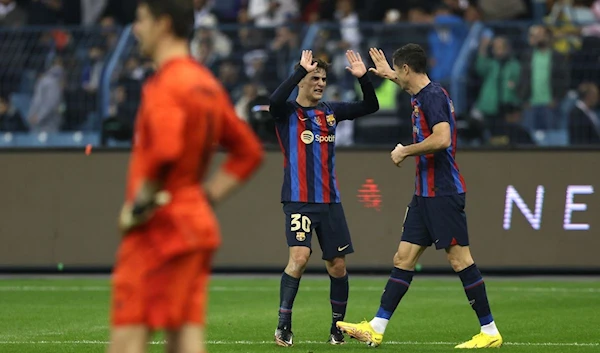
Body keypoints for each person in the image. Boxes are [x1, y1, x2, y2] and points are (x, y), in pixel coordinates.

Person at [108, 1, 264, 353]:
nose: (136, 28)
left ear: (163, 24)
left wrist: (137, 208)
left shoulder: (166, 84)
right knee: (184, 340)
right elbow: (248, 152)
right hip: (195, 225)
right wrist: (205, 197)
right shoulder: (204, 82)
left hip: (157, 230)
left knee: (127, 340)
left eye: (141, 19)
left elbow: (165, 151)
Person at [335, 44, 503, 349]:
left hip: (442, 192)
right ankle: (377, 326)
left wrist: (405, 150)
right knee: (404, 257)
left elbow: (442, 138)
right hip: (425, 194)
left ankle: (490, 331)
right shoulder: (422, 93)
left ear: (407, 69)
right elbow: (408, 86)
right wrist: (386, 73)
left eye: (398, 71)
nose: (397, 77)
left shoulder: (434, 97)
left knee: (460, 260)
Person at [269, 49, 379, 346]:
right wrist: (297, 71)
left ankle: (337, 328)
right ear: (301, 82)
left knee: (337, 266)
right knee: (300, 257)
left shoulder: (331, 111)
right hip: (298, 200)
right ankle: (283, 326)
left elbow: (371, 105)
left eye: (323, 78)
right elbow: (274, 101)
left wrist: (363, 79)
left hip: (330, 202)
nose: (320, 83)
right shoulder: (287, 112)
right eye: (314, 78)